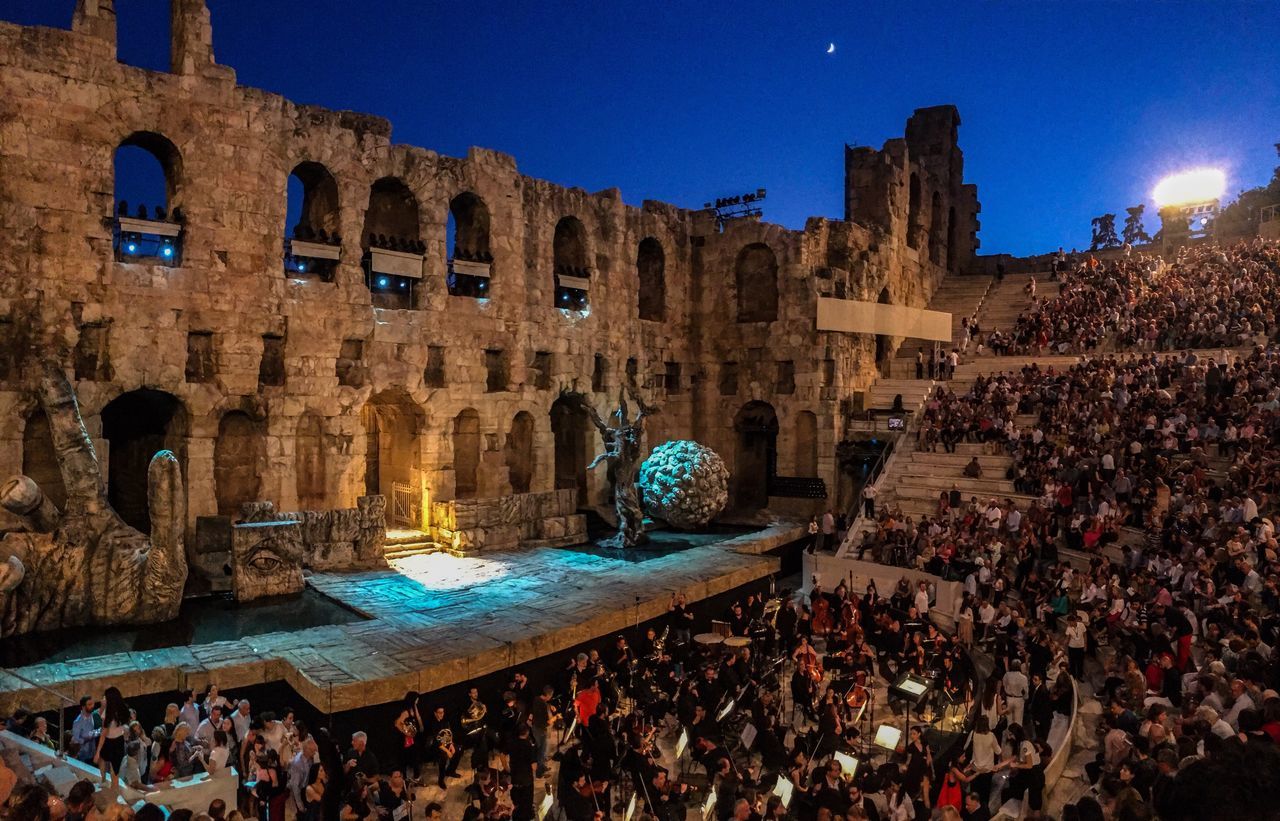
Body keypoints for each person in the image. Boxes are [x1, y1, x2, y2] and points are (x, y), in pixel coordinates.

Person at [94, 687, 130, 790]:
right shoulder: (124, 709)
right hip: (119, 741)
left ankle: (104, 781)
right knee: (115, 770)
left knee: (103, 759)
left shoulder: (109, 713)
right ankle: (114, 791)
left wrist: (97, 752)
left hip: (108, 742)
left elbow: (103, 734)